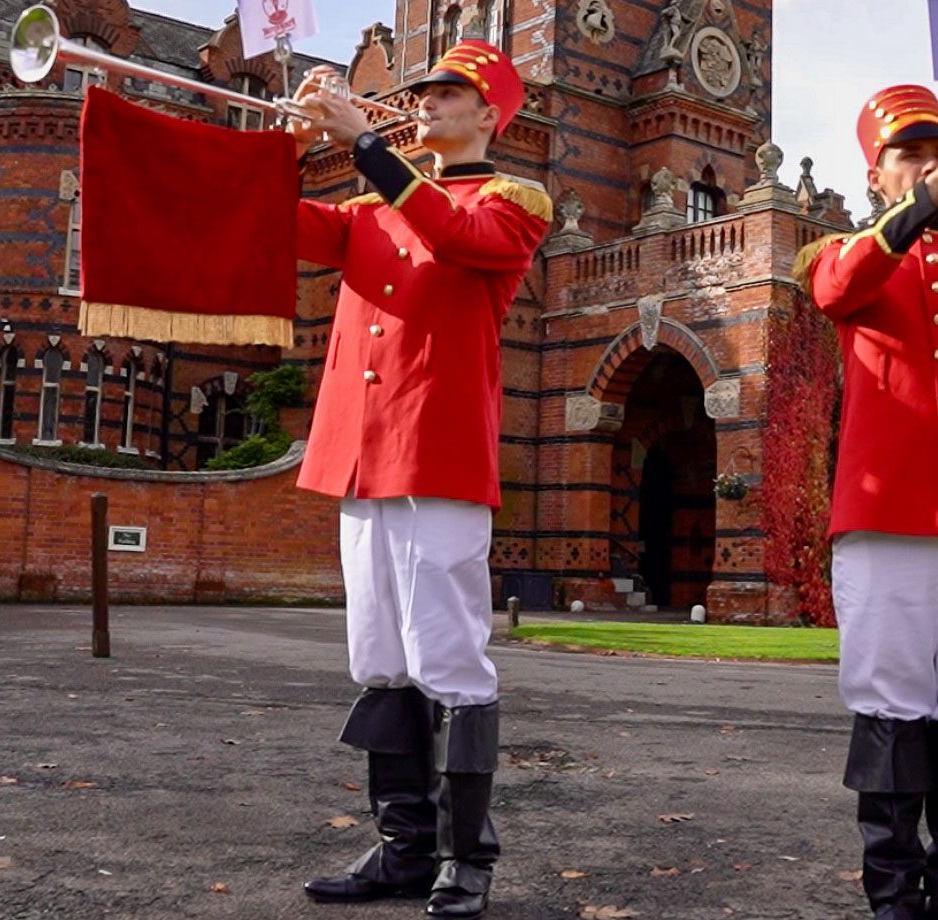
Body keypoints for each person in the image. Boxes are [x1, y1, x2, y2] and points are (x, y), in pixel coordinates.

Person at [281, 40, 552, 920]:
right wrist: (289, 143)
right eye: (423, 92)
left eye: (448, 93)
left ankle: (467, 859)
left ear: (489, 114)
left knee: (450, 659)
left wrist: (368, 144)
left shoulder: (512, 200)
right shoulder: (370, 206)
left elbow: (458, 236)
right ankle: (403, 849)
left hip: (435, 453)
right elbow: (273, 222)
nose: (427, 103)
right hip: (362, 454)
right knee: (381, 661)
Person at [794, 85, 938, 920]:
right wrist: (937, 192)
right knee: (888, 704)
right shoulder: (841, 253)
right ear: (874, 173)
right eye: (909, 151)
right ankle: (892, 899)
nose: (928, 160)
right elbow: (837, 289)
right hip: (884, 514)